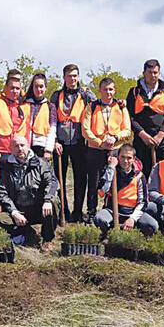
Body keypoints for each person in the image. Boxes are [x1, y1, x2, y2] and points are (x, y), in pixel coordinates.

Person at [0, 135, 59, 248]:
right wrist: (14, 212)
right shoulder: (7, 167)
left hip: (39, 208)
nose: (20, 149)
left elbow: (52, 182)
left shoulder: (40, 163)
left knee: (53, 203)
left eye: (22, 145)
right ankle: (28, 233)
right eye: (16, 146)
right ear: (11, 149)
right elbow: (2, 193)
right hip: (19, 210)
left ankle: (47, 239)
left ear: (28, 146)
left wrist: (47, 200)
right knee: (0, 219)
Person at [82, 77, 133, 219]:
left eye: (111, 89)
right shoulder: (91, 106)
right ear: (100, 90)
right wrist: (99, 142)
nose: (108, 92)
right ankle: (91, 212)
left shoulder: (121, 107)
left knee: (113, 181)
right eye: (105, 89)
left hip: (115, 150)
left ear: (114, 90)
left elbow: (127, 130)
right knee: (93, 182)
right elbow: (85, 129)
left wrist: (115, 138)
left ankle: (110, 211)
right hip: (95, 149)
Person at [52, 64, 96, 223]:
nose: (72, 79)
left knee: (80, 179)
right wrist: (54, 141)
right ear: (64, 77)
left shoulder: (85, 95)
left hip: (80, 142)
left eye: (75, 75)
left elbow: (100, 105)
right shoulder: (56, 96)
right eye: (69, 76)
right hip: (60, 143)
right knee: (59, 179)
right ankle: (63, 211)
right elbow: (52, 119)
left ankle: (77, 212)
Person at [127, 59, 164, 178]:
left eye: (155, 72)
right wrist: (142, 134)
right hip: (141, 140)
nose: (153, 75)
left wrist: (161, 135)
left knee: (163, 175)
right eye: (150, 72)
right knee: (141, 174)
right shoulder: (134, 92)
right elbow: (130, 117)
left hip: (162, 141)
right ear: (144, 73)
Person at [93, 144, 157, 235]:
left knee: (152, 225)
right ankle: (110, 235)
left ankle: (131, 233)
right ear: (118, 157)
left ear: (134, 159)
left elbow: (143, 202)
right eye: (122, 157)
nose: (125, 161)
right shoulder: (112, 171)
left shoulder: (139, 176)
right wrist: (111, 168)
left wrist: (132, 219)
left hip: (131, 211)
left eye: (129, 158)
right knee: (99, 219)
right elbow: (102, 191)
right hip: (112, 210)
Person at [0, 74, 27, 163]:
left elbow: (26, 132)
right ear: (5, 88)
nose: (15, 91)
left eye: (17, 88)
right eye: (12, 88)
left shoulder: (21, 108)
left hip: (17, 154)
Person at [23, 73, 56, 161]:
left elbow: (52, 129)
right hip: (25, 146)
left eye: (41, 86)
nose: (39, 89)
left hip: (41, 146)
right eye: (36, 87)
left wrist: (48, 150)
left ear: (45, 87)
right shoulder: (25, 104)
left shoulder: (50, 106)